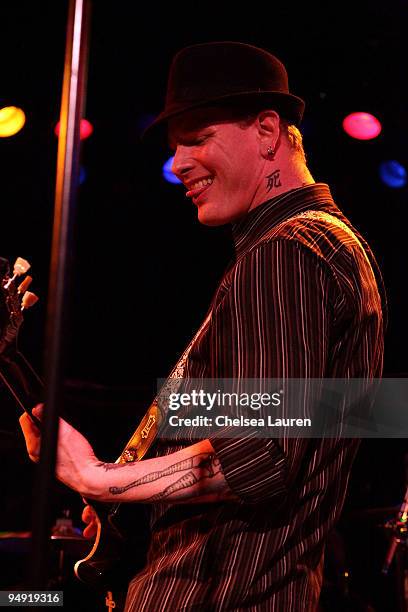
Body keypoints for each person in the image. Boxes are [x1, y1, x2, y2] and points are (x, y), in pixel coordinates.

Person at [20, 42, 385, 611]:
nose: (178, 164)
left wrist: (97, 478)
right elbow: (270, 431)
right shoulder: (325, 248)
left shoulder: (287, 254)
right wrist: (137, 499)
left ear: (267, 131)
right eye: (174, 148)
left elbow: (262, 454)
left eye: (196, 138)